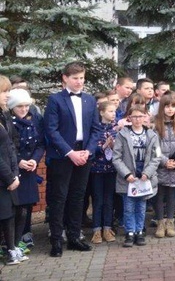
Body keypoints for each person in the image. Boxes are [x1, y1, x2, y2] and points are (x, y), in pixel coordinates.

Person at [44, 62, 103, 257]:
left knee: (78, 196)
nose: (79, 82)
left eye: (82, 78)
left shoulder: (89, 100)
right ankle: (56, 241)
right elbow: (51, 130)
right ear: (65, 78)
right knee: (59, 197)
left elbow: (96, 129)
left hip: (84, 153)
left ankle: (74, 237)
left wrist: (88, 150)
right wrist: (70, 152)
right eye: (75, 78)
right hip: (63, 155)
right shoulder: (55, 100)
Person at [112, 105, 160, 247]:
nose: (138, 119)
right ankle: (130, 232)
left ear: (145, 117)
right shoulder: (122, 134)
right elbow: (116, 157)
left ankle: (139, 231)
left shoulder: (152, 135)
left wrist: (147, 173)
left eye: (141, 116)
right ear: (129, 118)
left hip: (144, 177)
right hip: (129, 178)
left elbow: (156, 157)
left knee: (141, 206)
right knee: (128, 207)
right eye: (134, 116)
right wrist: (126, 174)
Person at [8, 89, 44, 251]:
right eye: (19, 106)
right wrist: (19, 161)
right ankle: (12, 240)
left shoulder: (33, 120)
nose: (24, 109)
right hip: (14, 169)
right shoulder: (8, 122)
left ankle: (26, 233)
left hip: (29, 168)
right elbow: (7, 148)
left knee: (28, 204)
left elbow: (40, 143)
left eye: (26, 106)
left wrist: (34, 160)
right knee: (15, 205)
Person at [0, 77, 26, 266]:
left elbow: (10, 146)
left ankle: (11, 248)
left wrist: (15, 172)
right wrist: (9, 177)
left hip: (9, 175)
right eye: (3, 91)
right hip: (3, 178)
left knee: (15, 213)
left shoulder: (4, 114)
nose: (7, 95)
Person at [153, 95, 175, 238]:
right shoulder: (155, 124)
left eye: (173, 106)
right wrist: (165, 161)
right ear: (162, 108)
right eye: (167, 106)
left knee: (172, 194)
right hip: (161, 165)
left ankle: (170, 222)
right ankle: (160, 222)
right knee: (160, 195)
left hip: (174, 166)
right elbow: (154, 147)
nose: (170, 109)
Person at [89, 101, 118, 244]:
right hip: (97, 170)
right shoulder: (95, 129)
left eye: (114, 111)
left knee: (109, 199)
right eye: (110, 111)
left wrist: (114, 147)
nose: (113, 114)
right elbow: (91, 149)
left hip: (111, 169)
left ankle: (107, 228)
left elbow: (120, 150)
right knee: (98, 200)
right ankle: (96, 230)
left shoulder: (115, 129)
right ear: (101, 113)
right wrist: (103, 146)